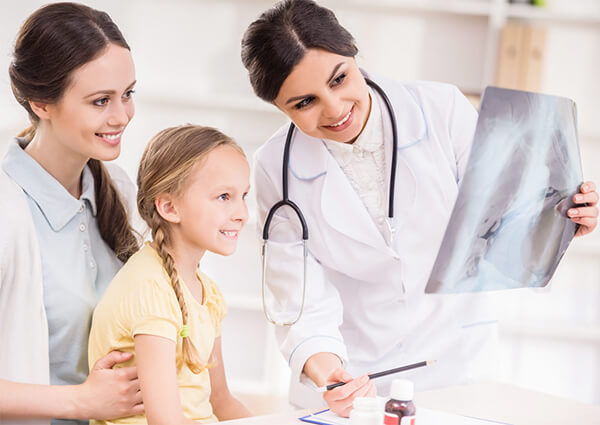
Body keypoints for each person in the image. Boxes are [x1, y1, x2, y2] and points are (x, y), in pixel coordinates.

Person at [241, 0, 599, 416]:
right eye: (304, 103)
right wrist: (330, 372)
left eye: (339, 79)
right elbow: (297, 298)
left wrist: (563, 220)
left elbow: (507, 221)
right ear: (279, 108)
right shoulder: (274, 167)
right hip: (351, 376)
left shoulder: (441, 110)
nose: (335, 109)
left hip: (455, 360)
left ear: (354, 53)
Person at [0, 3, 144, 424]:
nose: (121, 117)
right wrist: (81, 402)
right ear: (41, 102)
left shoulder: (117, 187)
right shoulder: (7, 209)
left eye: (128, 94)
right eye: (100, 101)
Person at [88, 125, 252, 425]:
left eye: (244, 195)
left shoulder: (208, 293)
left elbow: (221, 400)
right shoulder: (150, 289)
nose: (242, 213)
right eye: (224, 197)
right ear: (169, 206)